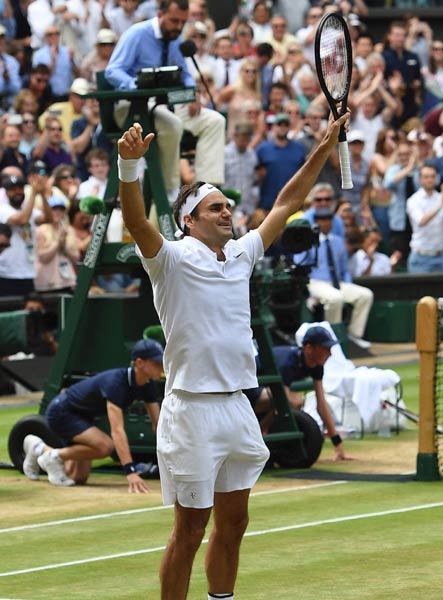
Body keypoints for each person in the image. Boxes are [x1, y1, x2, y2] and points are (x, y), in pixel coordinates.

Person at [116, 109, 347, 599]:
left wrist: (326, 143)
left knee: (236, 523)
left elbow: (287, 202)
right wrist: (129, 167)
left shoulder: (241, 254)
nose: (228, 213)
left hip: (238, 406)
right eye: (215, 208)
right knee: (190, 530)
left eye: (228, 207)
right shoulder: (171, 259)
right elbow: (135, 220)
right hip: (191, 411)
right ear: (188, 221)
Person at [105, 0, 227, 198]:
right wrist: (136, 85)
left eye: (182, 22)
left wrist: (192, 91)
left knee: (214, 121)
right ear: (160, 15)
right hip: (132, 107)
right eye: (174, 21)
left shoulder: (175, 39)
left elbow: (185, 73)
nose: (178, 27)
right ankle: (171, 191)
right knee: (172, 125)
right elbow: (113, 71)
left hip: (164, 106)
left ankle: (207, 192)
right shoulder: (137, 33)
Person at [21, 339, 165, 489]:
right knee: (105, 446)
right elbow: (117, 431)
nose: (161, 367)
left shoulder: (148, 386)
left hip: (82, 417)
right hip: (61, 413)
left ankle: (39, 448)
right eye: (156, 363)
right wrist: (130, 472)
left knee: (77, 477)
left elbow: (158, 426)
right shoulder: (116, 383)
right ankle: (52, 456)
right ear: (140, 363)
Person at [246, 326, 353, 460]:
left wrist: (337, 444)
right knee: (292, 401)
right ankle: (256, 438)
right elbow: (282, 399)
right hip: (246, 390)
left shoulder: (317, 366)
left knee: (292, 402)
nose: (330, 353)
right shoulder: (287, 362)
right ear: (309, 348)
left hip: (264, 391)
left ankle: (258, 438)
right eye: (325, 348)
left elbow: (321, 405)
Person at [295, 194, 375, 350]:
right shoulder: (308, 241)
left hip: (337, 282)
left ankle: (354, 335)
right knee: (335, 298)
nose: (325, 223)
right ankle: (333, 338)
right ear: (316, 222)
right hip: (315, 282)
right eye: (322, 220)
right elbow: (300, 265)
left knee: (365, 295)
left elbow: (344, 269)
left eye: (328, 220)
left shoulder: (338, 242)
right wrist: (309, 292)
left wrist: (346, 285)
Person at [406, 166, 443, 273]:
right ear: (420, 179)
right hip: (420, 257)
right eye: (426, 177)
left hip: (440, 256)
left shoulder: (441, 197)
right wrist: (441, 205)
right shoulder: (414, 200)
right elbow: (422, 221)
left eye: (433, 176)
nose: (430, 179)